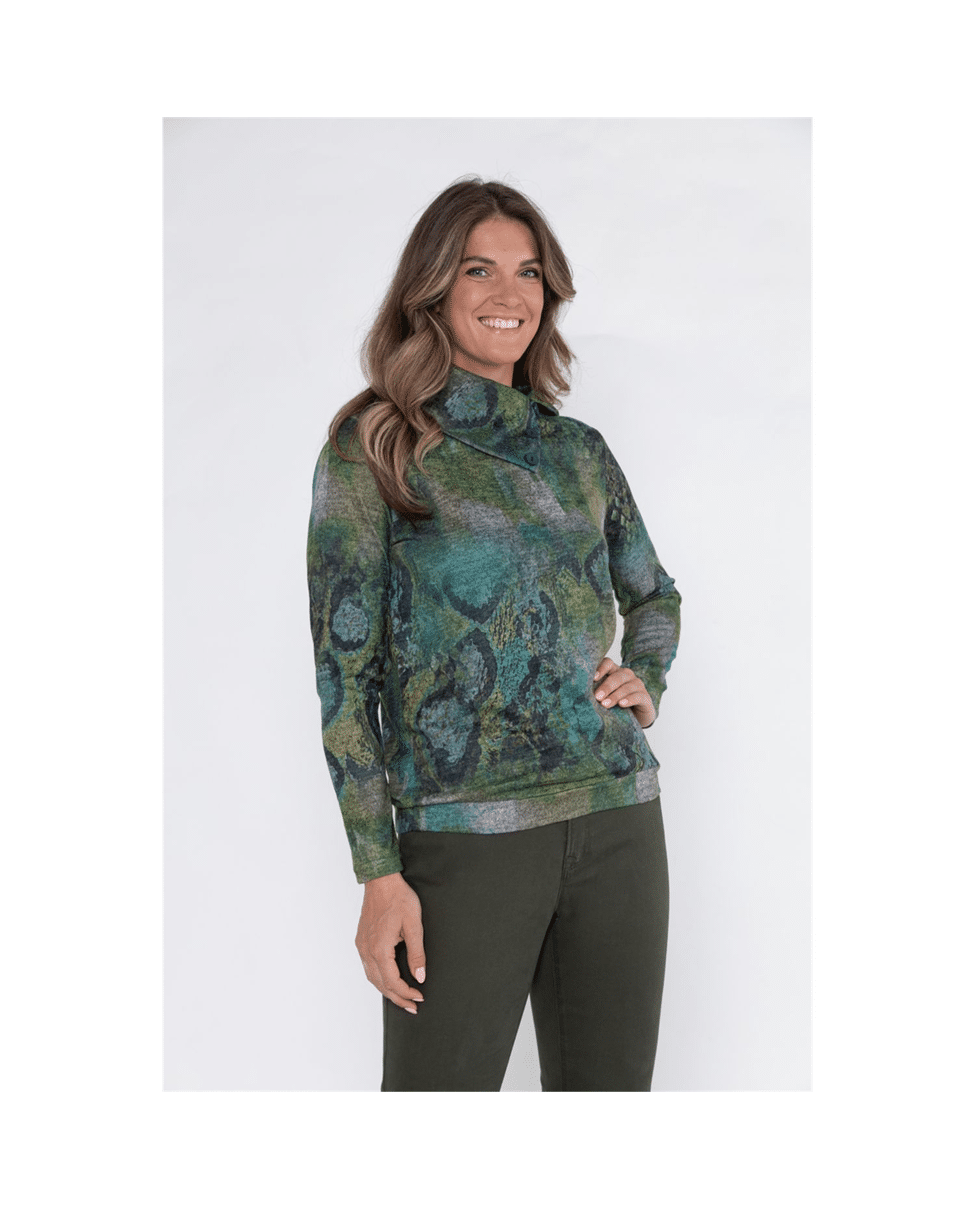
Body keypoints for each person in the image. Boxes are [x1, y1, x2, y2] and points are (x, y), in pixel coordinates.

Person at [306, 178, 681, 1091]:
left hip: (616, 820)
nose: (508, 293)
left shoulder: (579, 452)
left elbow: (655, 593)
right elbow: (345, 680)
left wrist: (645, 676)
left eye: (528, 273)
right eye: (478, 269)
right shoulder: (376, 446)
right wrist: (377, 872)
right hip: (464, 838)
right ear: (432, 289)